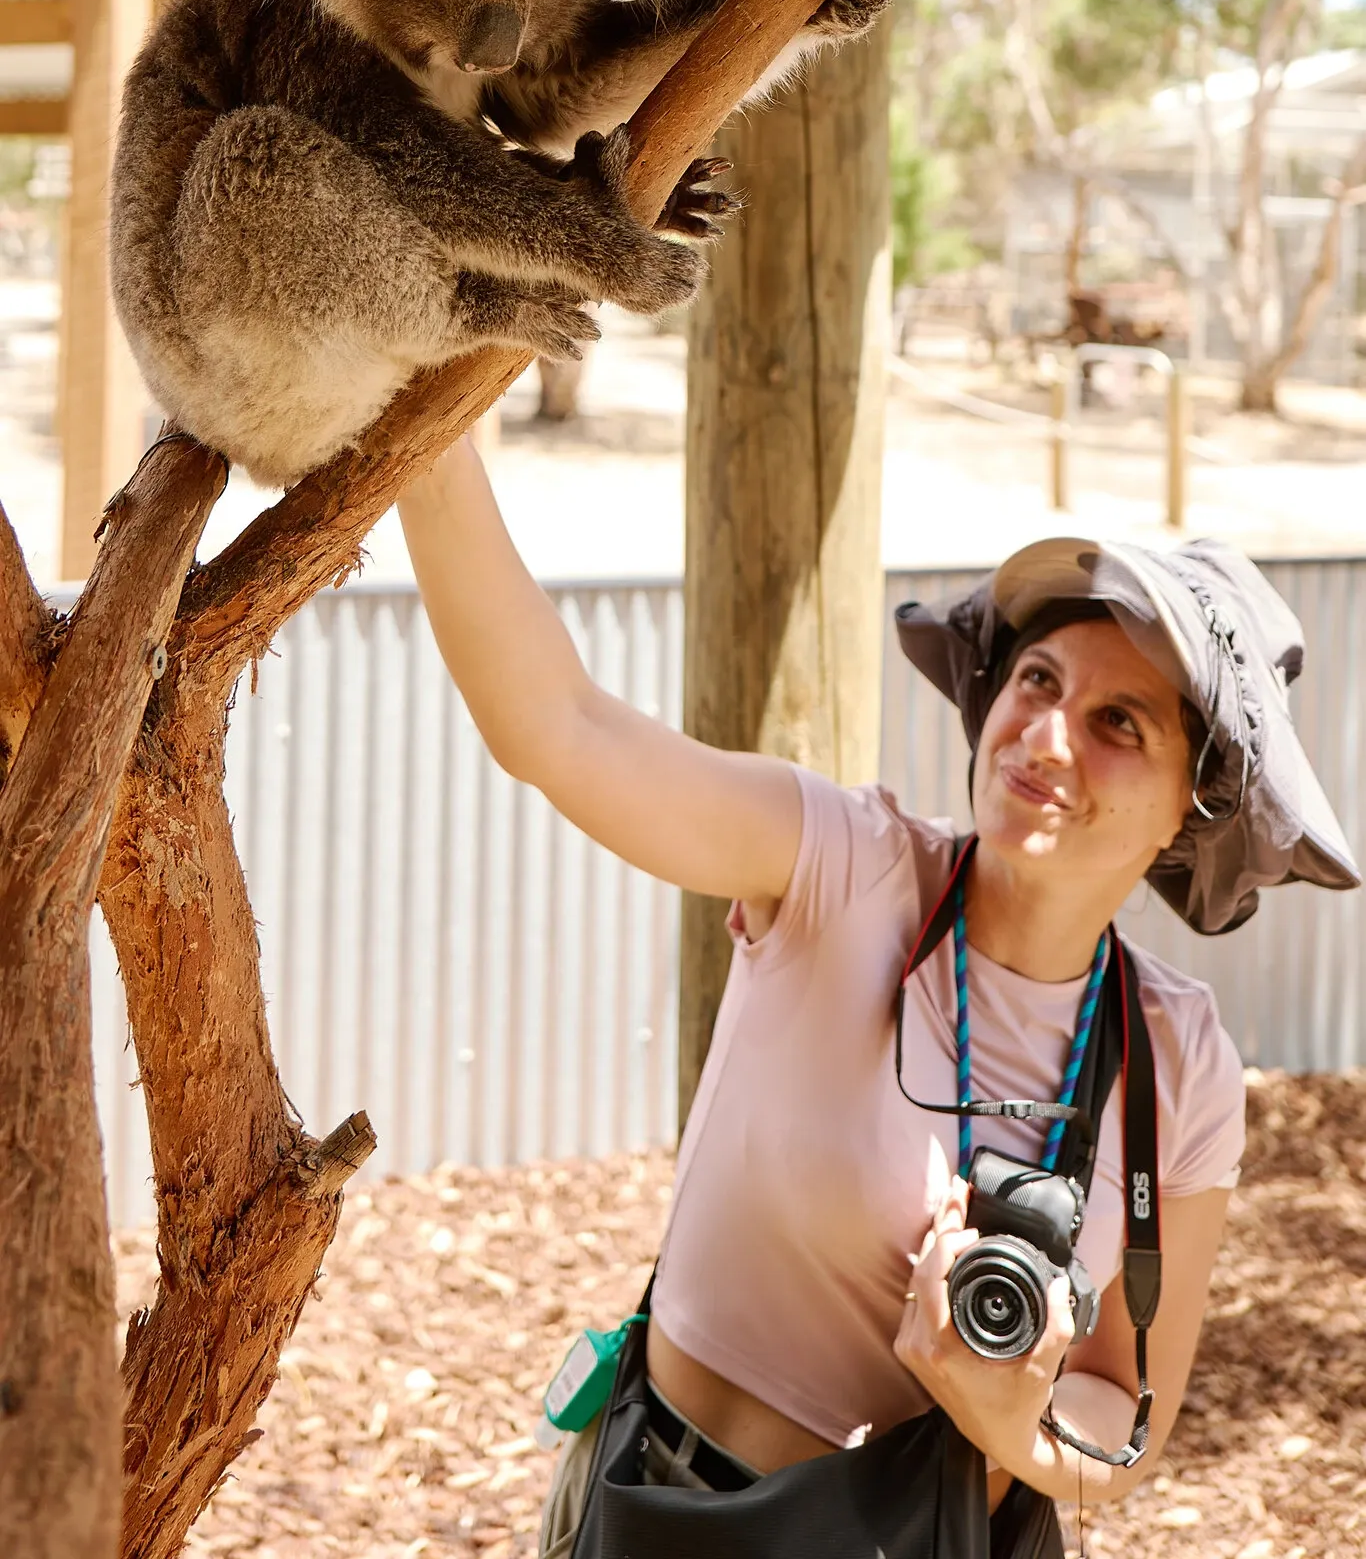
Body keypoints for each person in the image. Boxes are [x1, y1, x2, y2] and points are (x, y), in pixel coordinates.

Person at [399, 447, 1359, 1555]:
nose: (1047, 734)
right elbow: (561, 728)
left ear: (1185, 820)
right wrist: (432, 437)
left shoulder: (1177, 1060)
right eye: (1038, 677)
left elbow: (1124, 1416)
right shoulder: (844, 865)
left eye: (1119, 722)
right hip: (664, 1508)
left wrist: (1011, 1420)